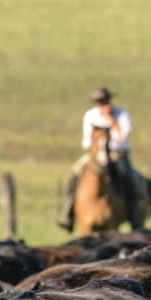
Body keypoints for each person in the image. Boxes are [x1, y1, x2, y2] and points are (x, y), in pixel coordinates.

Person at [57, 87, 138, 232]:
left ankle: (134, 214)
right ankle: (67, 213)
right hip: (94, 154)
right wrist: (96, 150)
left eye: (103, 100)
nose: (101, 104)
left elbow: (123, 137)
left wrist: (111, 120)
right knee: (71, 176)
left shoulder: (122, 114)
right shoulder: (90, 115)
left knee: (129, 177)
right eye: (98, 101)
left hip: (116, 153)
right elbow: (86, 142)